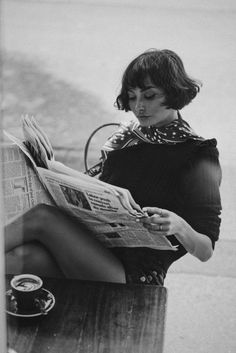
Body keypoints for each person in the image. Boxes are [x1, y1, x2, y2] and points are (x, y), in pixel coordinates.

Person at [5, 49, 222, 286]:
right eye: (132, 96)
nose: (139, 107)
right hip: (93, 249)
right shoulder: (127, 137)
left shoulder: (198, 153)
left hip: (134, 276)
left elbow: (205, 250)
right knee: (19, 258)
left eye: (149, 96)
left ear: (173, 92)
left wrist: (178, 225)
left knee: (42, 218)